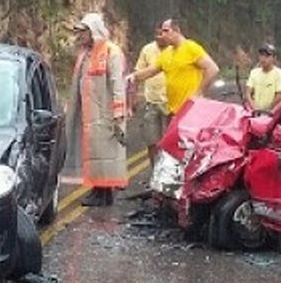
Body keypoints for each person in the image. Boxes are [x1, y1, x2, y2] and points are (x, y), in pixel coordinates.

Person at [60, 13, 129, 207]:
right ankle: (99, 190)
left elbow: (117, 84)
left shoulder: (111, 52)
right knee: (93, 154)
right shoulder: (84, 54)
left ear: (92, 31)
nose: (80, 36)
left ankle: (103, 192)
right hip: (88, 113)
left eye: (83, 32)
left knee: (104, 155)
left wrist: (118, 112)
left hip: (105, 114)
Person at [126, 18, 220, 117]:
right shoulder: (167, 52)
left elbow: (212, 69)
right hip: (173, 110)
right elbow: (150, 71)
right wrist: (133, 77)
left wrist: (199, 92)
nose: (163, 35)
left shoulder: (191, 48)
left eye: (166, 31)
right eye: (162, 31)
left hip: (190, 109)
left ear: (177, 31)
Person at [133, 25, 171, 167]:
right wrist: (134, 97)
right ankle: (154, 171)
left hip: (171, 103)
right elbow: (138, 73)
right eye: (157, 34)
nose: (159, 36)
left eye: (162, 33)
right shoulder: (147, 49)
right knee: (151, 140)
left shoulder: (175, 50)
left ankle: (170, 173)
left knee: (171, 141)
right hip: (151, 101)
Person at [246, 44, 281, 112]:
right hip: (255, 112)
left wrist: (268, 110)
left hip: (272, 113)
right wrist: (253, 107)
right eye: (261, 55)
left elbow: (280, 95)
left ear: (274, 58)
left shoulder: (279, 74)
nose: (263, 58)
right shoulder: (254, 73)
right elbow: (248, 93)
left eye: (267, 56)